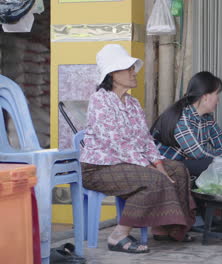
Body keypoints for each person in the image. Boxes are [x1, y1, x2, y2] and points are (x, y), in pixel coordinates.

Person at [80, 44, 196, 254]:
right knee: (153, 179)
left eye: (133, 67)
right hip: (99, 168)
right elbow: (117, 144)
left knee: (177, 170)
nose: (134, 72)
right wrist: (152, 169)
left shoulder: (133, 103)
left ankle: (167, 228)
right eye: (128, 68)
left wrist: (159, 164)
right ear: (112, 74)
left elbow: (145, 140)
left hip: (128, 163)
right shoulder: (100, 101)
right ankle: (118, 235)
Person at [151, 71, 222, 177]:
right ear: (205, 97)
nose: (218, 101)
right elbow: (198, 154)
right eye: (217, 95)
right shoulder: (182, 118)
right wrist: (220, 158)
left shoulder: (208, 119)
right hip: (167, 165)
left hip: (185, 163)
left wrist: (220, 158)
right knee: (214, 165)